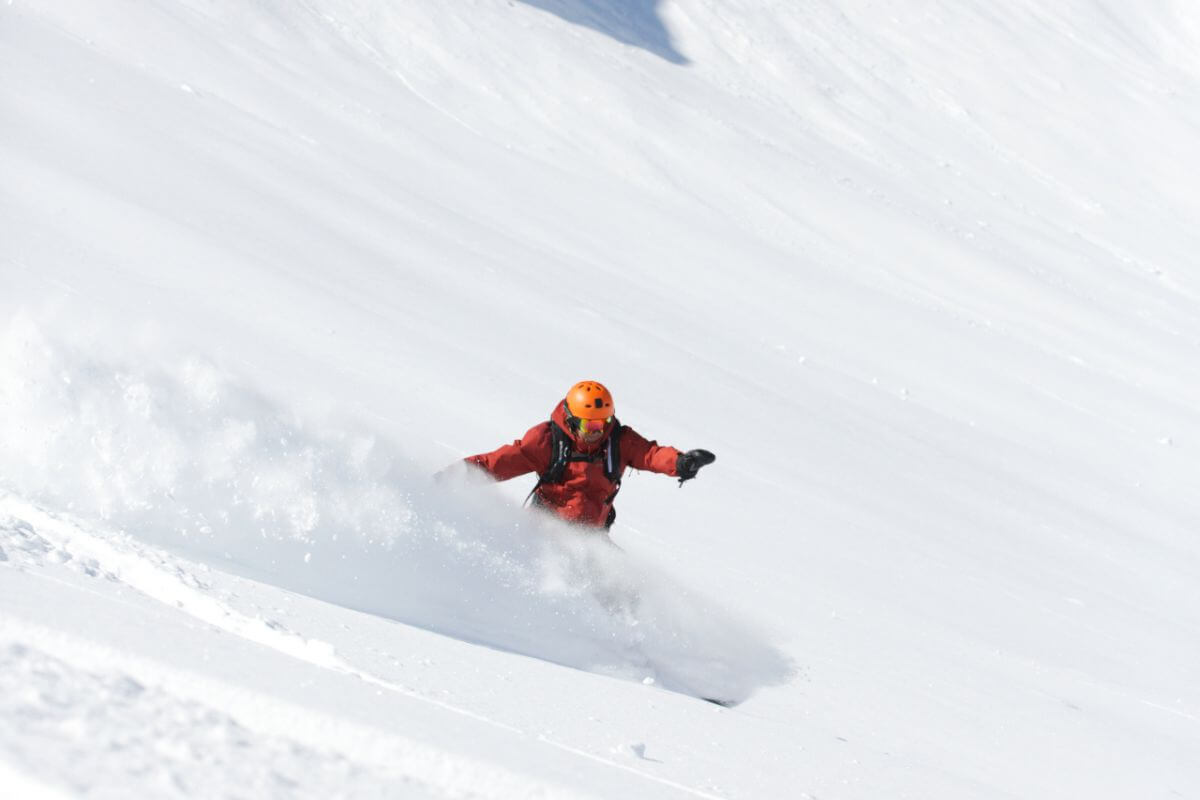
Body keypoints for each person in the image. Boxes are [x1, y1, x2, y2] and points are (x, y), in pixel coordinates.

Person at [460, 380, 715, 530]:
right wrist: (455, 478)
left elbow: (649, 454)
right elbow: (500, 463)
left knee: (624, 591)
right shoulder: (547, 441)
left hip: (592, 536)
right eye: (590, 425)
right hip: (545, 532)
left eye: (604, 422)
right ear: (571, 420)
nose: (598, 431)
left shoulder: (618, 440)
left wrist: (681, 463)